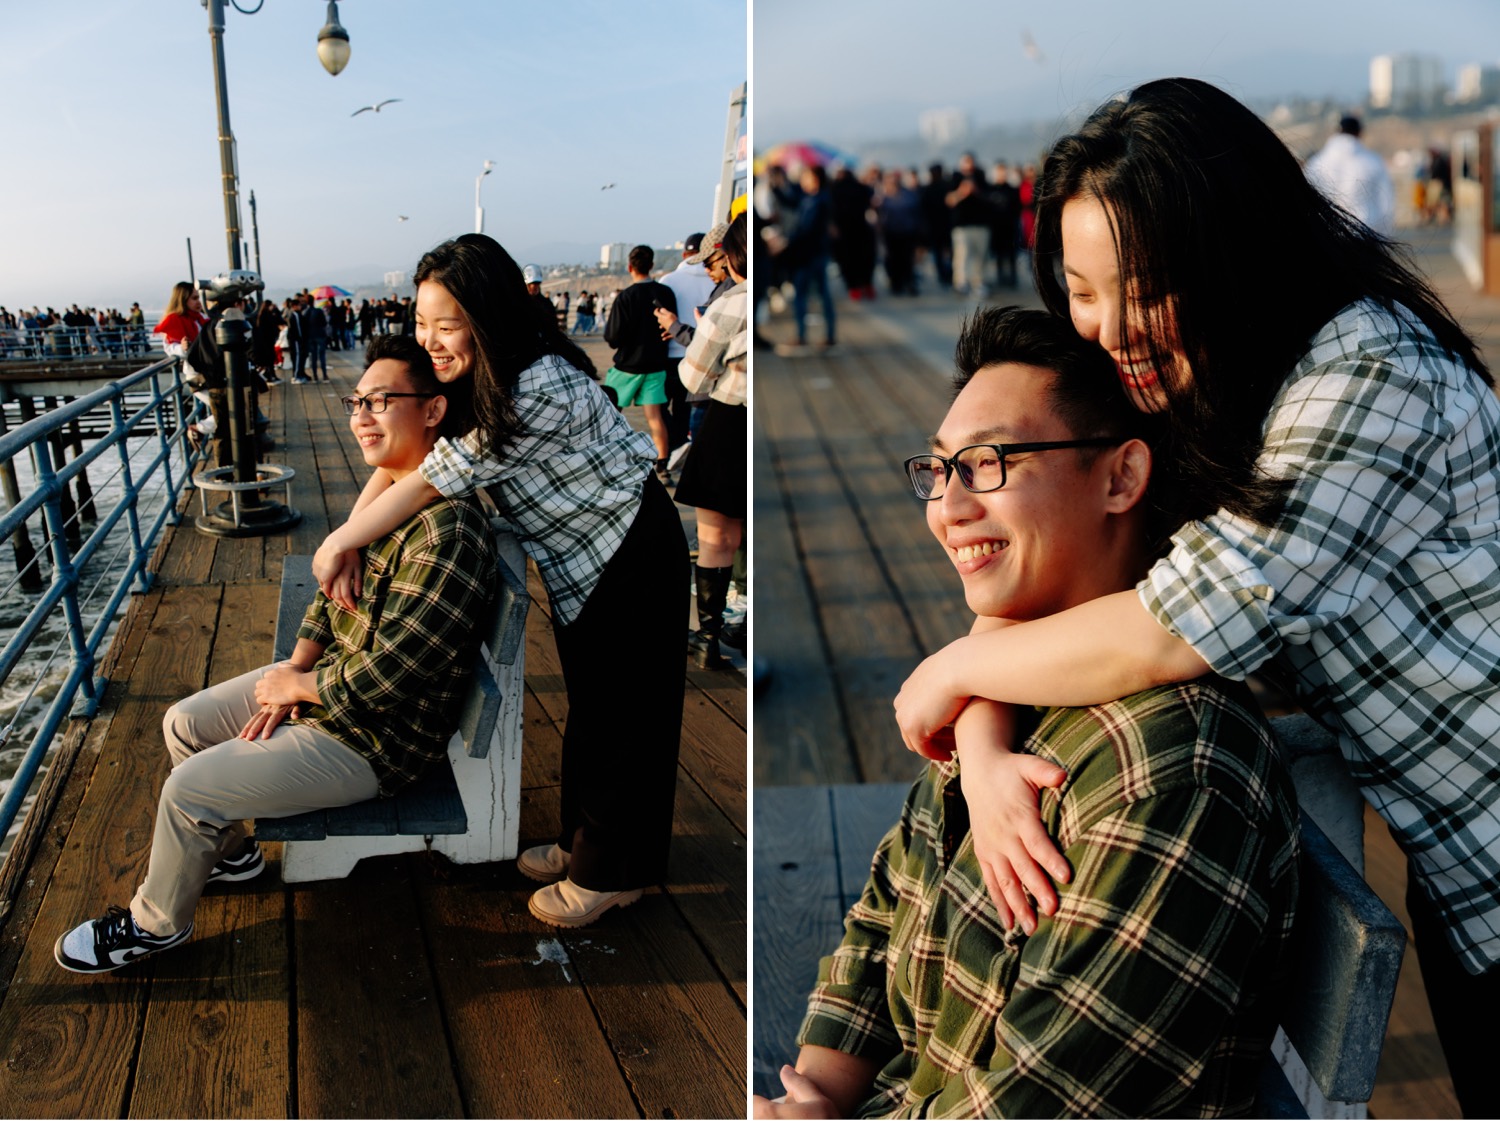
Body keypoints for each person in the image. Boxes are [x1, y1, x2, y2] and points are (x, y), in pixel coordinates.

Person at [890, 77, 1500, 1118]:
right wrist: (983, 745)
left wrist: (948, 673)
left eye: (1145, 282)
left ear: (1238, 248)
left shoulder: (1369, 371)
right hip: (1457, 856)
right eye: (1082, 288)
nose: (1107, 324)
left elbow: (1176, 620)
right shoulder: (1212, 378)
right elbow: (1045, 598)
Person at [756, 308, 1299, 1118]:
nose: (946, 507)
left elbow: (1043, 1096)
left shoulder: (1174, 769)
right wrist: (815, 1096)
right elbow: (884, 916)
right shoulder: (1006, 691)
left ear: (1120, 477)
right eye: (938, 470)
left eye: (987, 463)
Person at [53, 334, 494, 972]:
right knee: (184, 723)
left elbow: (397, 671)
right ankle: (232, 854)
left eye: (380, 401)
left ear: (432, 411)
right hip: (334, 690)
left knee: (187, 791)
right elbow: (330, 595)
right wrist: (295, 665)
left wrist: (300, 690)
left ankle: (155, 926)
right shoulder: (388, 500)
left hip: (378, 738)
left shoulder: (447, 528)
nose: (361, 416)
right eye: (356, 401)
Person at [310, 233, 688, 929]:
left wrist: (339, 540)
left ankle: (611, 874)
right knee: (596, 710)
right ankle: (587, 848)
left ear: (487, 314)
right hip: (586, 559)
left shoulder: (535, 383)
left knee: (623, 717)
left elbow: (427, 478)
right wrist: (348, 537)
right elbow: (404, 461)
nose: (430, 341)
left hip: (628, 549)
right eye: (421, 324)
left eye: (446, 324)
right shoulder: (482, 378)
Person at [673, 214, 748, 670]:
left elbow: (693, 375)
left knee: (716, 538)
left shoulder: (732, 303)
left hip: (728, 422)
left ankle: (708, 638)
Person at [603, 244, 677, 476]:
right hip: (656, 364)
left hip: (627, 365)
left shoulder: (625, 297)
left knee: (612, 415)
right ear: (652, 266)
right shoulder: (665, 293)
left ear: (630, 267)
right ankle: (663, 465)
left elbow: (613, 338)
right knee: (655, 417)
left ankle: (609, 460)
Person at [657, 228, 720, 458]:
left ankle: (674, 445)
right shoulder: (717, 280)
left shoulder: (669, 280)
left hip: (671, 353)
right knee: (687, 408)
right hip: (699, 356)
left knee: (660, 407)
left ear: (684, 255)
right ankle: (682, 443)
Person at [1304, 114, 1396, 237]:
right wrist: (1384, 236)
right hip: (1366, 233)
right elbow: (1386, 202)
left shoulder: (1316, 163)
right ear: (1360, 133)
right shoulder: (1373, 162)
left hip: (1328, 236)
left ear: (1336, 132)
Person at [152, 281, 208, 354]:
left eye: (198, 298)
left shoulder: (202, 318)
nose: (199, 302)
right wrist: (182, 347)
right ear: (183, 300)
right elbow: (169, 348)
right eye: (194, 298)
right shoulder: (173, 320)